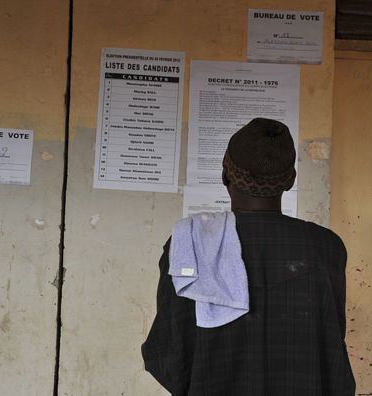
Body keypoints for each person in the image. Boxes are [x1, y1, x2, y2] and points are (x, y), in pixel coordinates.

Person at [142, 118, 355, 395]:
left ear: (224, 175)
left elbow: (164, 355)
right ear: (290, 180)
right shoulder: (327, 248)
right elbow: (332, 352)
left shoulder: (188, 245)